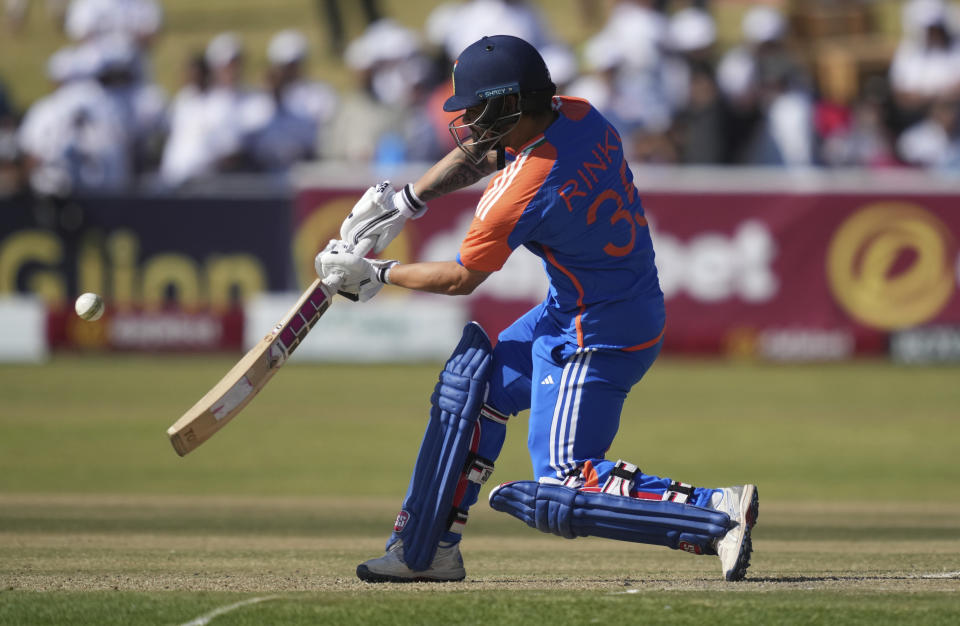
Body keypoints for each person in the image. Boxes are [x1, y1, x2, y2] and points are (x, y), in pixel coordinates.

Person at [315, 35, 759, 583]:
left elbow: (461, 277)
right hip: (591, 308)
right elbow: (488, 152)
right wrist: (404, 202)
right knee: (471, 391)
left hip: (596, 333)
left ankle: (712, 511)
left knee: (563, 484)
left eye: (478, 109)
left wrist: (377, 273)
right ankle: (427, 549)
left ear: (509, 103)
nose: (468, 122)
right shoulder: (580, 116)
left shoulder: (524, 190)